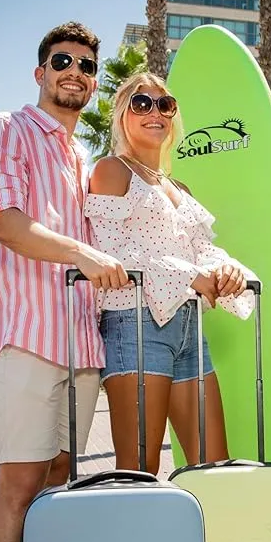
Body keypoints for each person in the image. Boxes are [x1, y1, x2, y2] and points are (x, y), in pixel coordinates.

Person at [0, 21, 131, 542]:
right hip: (27, 335)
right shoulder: (4, 130)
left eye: (87, 66)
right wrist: (85, 255)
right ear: (40, 72)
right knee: (20, 485)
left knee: (59, 482)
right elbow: (5, 223)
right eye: (63, 61)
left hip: (80, 342)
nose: (75, 73)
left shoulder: (81, 155)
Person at [87, 73, 255, 473]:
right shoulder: (111, 170)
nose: (155, 113)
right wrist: (188, 274)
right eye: (141, 103)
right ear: (122, 115)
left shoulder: (180, 188)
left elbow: (202, 250)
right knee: (140, 470)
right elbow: (111, 254)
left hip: (189, 327)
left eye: (165, 105)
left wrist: (226, 269)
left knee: (213, 467)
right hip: (135, 324)